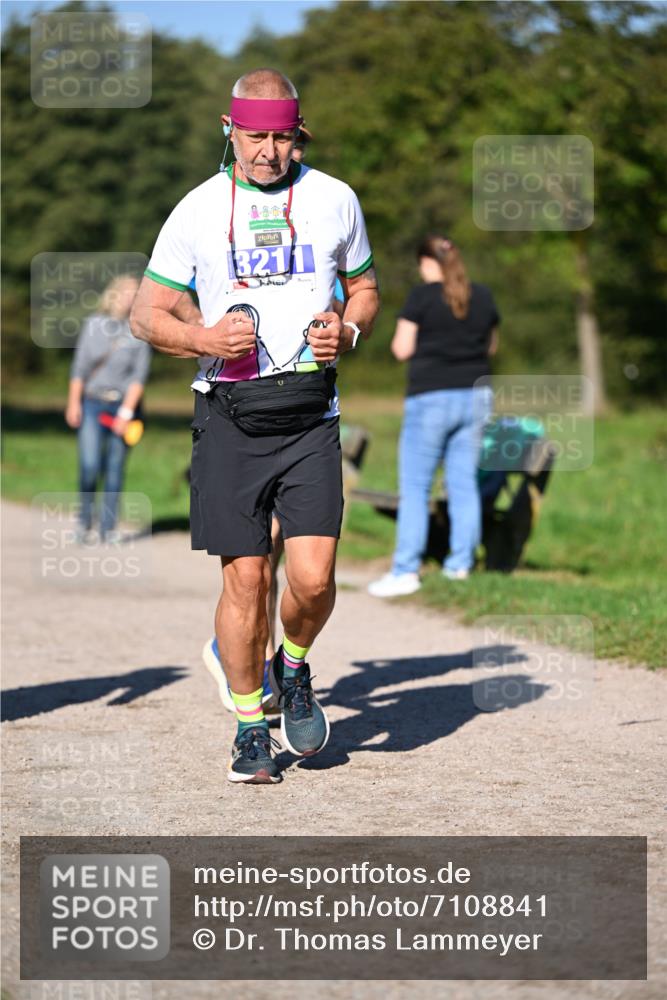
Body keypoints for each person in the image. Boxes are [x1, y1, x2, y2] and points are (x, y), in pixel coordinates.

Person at [131, 68, 379, 784]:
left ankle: (291, 667)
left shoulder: (335, 199)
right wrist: (203, 340)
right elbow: (144, 314)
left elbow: (363, 288)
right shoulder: (197, 211)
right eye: (254, 135)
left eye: (281, 136)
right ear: (228, 130)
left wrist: (348, 328)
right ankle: (248, 727)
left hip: (309, 416)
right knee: (247, 579)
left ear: (297, 133)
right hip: (231, 418)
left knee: (314, 576)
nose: (268, 150)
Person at [368, 235, 499, 598]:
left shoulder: (422, 297)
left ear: (427, 261)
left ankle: (406, 570)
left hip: (431, 398)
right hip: (476, 397)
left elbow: (401, 348)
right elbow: (491, 345)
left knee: (414, 487)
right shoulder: (483, 295)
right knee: (463, 484)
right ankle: (460, 565)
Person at [65, 275, 151, 542]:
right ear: (112, 295)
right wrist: (73, 403)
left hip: (123, 407)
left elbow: (139, 378)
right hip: (91, 403)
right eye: (125, 292)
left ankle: (108, 528)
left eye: (134, 294)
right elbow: (79, 369)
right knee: (90, 464)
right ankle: (83, 521)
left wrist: (125, 414)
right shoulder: (94, 325)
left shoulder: (140, 331)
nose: (129, 298)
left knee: (114, 467)